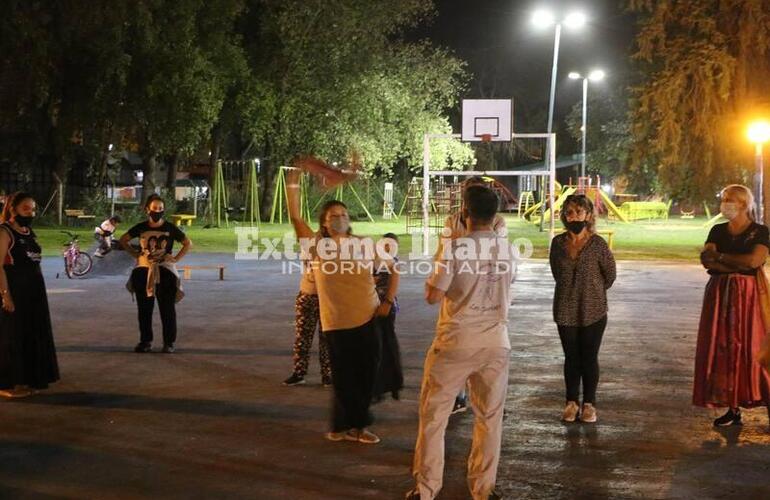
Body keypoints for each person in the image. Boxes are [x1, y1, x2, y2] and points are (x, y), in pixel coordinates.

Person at [407, 185, 514, 500]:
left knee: (434, 418)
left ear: (465, 213)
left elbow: (432, 296)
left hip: (455, 342)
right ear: (495, 215)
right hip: (496, 341)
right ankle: (483, 489)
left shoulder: (455, 248)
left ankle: (426, 489)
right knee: (490, 419)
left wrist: (447, 243)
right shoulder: (508, 249)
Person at [286, 164, 385, 444]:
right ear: (324, 222)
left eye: (343, 214)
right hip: (336, 321)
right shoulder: (315, 245)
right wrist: (294, 179)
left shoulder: (364, 243)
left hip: (368, 317)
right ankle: (342, 426)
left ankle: (360, 427)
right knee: (343, 377)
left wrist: (388, 301)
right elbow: (294, 215)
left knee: (367, 374)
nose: (339, 218)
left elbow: (386, 271)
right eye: (333, 215)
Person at [695, 184, 770, 426]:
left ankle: (765, 400)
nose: (725, 203)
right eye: (724, 198)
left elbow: (754, 261)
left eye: (731, 199)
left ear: (744, 204)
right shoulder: (718, 230)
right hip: (720, 295)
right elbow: (707, 260)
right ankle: (732, 406)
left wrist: (722, 259)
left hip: (749, 296)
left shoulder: (759, 231)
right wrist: (729, 263)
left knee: (754, 347)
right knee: (723, 346)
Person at [440, 176, 507, 415]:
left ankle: (485, 395)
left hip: (486, 287)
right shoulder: (453, 220)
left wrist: (465, 243)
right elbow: (446, 247)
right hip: (459, 288)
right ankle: (459, 395)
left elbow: (494, 247)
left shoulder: (497, 220)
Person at [549, 194, 616, 423]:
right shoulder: (557, 244)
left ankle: (589, 404)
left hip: (593, 310)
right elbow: (556, 272)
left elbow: (610, 275)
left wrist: (592, 290)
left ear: (588, 215)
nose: (574, 216)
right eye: (569, 212)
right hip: (565, 308)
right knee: (571, 357)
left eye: (579, 212)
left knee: (589, 357)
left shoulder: (598, 245)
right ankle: (570, 403)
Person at [0, 192, 59, 398]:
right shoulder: (5, 232)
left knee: (30, 335)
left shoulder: (28, 232)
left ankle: (26, 378)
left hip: (34, 292)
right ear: (13, 208)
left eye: (33, 209)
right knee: (11, 336)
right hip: (14, 290)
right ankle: (6, 384)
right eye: (26, 208)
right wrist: (5, 295)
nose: (31, 212)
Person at [119, 194, 191, 354]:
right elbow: (123, 239)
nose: (157, 211)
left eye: (160, 209)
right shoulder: (141, 227)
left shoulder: (170, 228)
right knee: (144, 310)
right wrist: (135, 254)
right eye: (154, 208)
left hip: (165, 272)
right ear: (147, 209)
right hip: (143, 271)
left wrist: (176, 258)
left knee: (167, 309)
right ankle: (146, 342)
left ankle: (169, 342)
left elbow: (187, 243)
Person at [282, 263, 332, 387]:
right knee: (302, 337)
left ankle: (328, 375)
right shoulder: (308, 245)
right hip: (308, 294)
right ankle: (299, 373)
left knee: (327, 337)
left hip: (328, 297)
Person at [372, 232, 403, 401]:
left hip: (386, 308)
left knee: (386, 344)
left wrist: (388, 302)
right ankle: (382, 383)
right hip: (372, 307)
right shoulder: (375, 261)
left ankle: (390, 382)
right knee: (377, 345)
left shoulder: (393, 263)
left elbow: (394, 280)